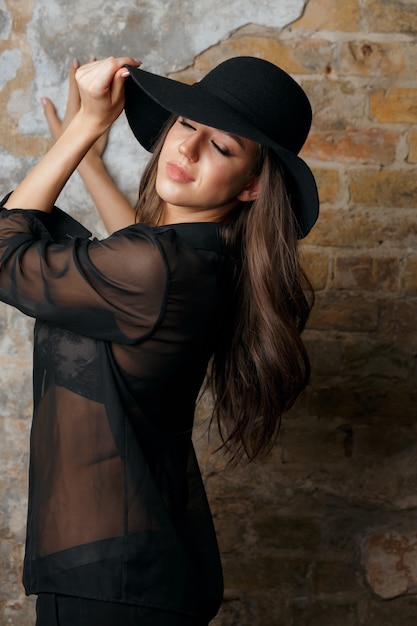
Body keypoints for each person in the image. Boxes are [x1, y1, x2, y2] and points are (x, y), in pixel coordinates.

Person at [0, 55, 319, 626]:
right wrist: (92, 165)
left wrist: (85, 127)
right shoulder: (195, 261)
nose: (189, 149)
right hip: (134, 569)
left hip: (110, 577)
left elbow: (4, 254)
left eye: (222, 148)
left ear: (252, 185)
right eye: (188, 124)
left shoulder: (156, 269)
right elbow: (139, 253)